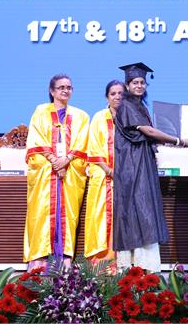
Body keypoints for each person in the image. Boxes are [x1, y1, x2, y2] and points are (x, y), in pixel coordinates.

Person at [112, 62, 188, 272]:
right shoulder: (127, 106)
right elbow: (149, 132)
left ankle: (142, 265)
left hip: (140, 162)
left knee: (141, 209)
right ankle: (139, 266)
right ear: (127, 85)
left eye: (142, 82)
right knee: (139, 209)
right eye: (135, 82)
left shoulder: (139, 106)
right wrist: (179, 141)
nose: (139, 86)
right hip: (132, 166)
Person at [23, 74, 89, 270]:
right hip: (45, 171)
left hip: (70, 172)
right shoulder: (40, 111)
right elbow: (36, 140)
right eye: (61, 87)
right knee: (41, 214)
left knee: (68, 215)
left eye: (69, 87)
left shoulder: (81, 116)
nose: (65, 91)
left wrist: (65, 161)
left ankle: (65, 262)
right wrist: (54, 162)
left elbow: (82, 143)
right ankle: (40, 263)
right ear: (52, 91)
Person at [84, 80, 125, 264]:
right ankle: (100, 262)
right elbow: (93, 148)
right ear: (107, 97)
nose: (117, 97)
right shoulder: (99, 117)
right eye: (113, 93)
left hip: (125, 176)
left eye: (120, 93)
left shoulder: (129, 117)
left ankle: (122, 261)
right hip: (102, 173)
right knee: (99, 216)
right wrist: (109, 170)